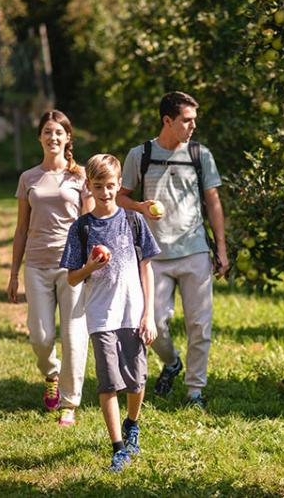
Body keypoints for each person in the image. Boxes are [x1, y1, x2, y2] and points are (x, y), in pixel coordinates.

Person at [117, 91, 229, 409]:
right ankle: (171, 362)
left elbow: (213, 201)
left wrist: (220, 248)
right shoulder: (140, 154)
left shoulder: (199, 154)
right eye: (187, 120)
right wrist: (140, 205)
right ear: (168, 120)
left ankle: (195, 391)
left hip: (194, 250)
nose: (193, 126)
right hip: (154, 256)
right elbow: (121, 196)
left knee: (199, 324)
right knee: (152, 324)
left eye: (194, 120)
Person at [60, 153, 160, 472]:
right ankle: (117, 446)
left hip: (133, 312)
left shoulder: (133, 221)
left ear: (119, 186)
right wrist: (90, 265)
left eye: (111, 186)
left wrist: (150, 314)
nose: (105, 192)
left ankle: (133, 424)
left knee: (137, 380)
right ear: (88, 186)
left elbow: (148, 270)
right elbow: (72, 277)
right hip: (101, 314)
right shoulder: (82, 227)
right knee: (108, 383)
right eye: (99, 186)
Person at [7, 110, 93, 427]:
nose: (52, 137)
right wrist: (13, 273)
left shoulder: (81, 177)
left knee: (73, 336)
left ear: (68, 137)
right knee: (41, 337)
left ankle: (70, 403)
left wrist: (91, 266)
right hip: (37, 265)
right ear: (40, 137)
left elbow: (89, 224)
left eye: (58, 132)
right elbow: (20, 229)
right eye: (47, 131)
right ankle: (52, 373)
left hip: (72, 268)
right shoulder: (28, 178)